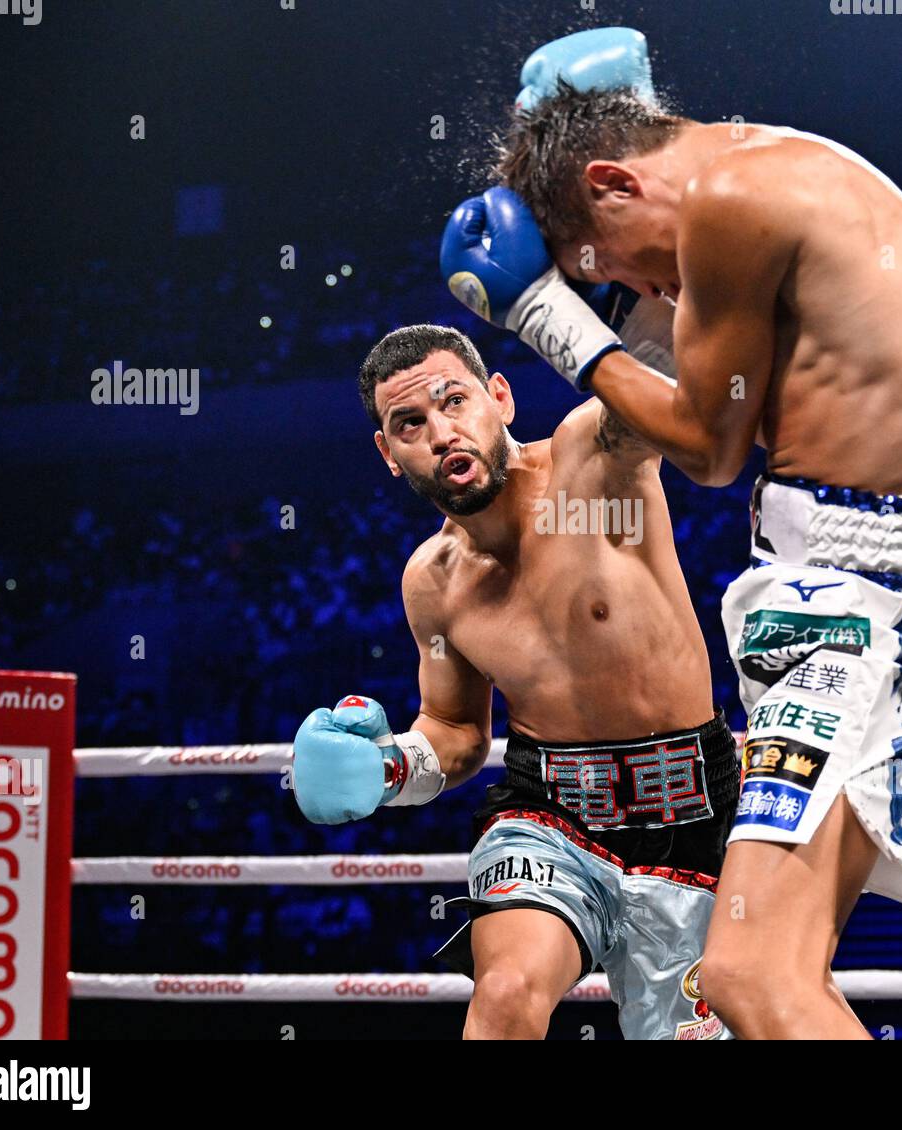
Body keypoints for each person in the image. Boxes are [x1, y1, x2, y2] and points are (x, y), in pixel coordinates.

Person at [440, 54, 902, 1038]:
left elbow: (707, 443)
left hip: (855, 612)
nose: (631, 287)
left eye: (604, 264)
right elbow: (685, 364)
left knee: (747, 976)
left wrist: (541, 311)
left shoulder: (730, 201)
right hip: (877, 595)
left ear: (613, 183)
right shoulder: (766, 166)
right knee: (762, 971)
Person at [291, 324, 737, 1040]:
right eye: (411, 423)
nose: (440, 433)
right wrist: (391, 766)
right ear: (389, 453)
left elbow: (676, 365)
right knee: (503, 995)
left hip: (690, 807)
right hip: (550, 809)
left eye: (455, 401)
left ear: (498, 397)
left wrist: (551, 304)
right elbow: (457, 731)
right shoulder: (431, 582)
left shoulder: (591, 464)